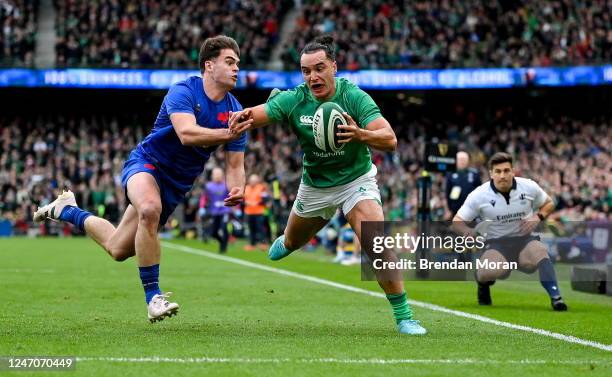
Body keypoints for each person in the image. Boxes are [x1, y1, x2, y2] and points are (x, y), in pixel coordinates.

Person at [33, 35, 252, 322]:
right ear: (208, 65)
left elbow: (235, 163)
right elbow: (187, 134)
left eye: (238, 63)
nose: (237, 68)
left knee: (117, 248)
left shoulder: (235, 111)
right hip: (147, 164)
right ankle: (154, 298)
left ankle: (67, 209)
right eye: (229, 61)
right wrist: (227, 134)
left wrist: (237, 187)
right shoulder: (183, 91)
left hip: (176, 184)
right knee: (149, 209)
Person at [230, 35, 426, 335]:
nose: (313, 76)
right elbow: (256, 116)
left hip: (355, 181)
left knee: (375, 241)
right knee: (293, 242)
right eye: (306, 71)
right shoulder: (295, 98)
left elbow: (390, 140)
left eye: (319, 68)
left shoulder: (354, 97)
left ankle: (404, 317)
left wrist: (361, 134)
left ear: (333, 67)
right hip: (315, 186)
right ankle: (288, 240)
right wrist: (238, 117)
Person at [452, 152, 568, 311]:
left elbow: (548, 203)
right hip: (496, 244)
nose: (503, 175)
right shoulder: (479, 195)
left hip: (525, 241)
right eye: (498, 171)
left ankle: (556, 298)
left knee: (541, 252)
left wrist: (538, 217)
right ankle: (482, 283)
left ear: (513, 171)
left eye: (506, 171)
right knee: (491, 271)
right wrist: (468, 232)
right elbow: (457, 222)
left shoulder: (528, 186)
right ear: (491, 174)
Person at [445, 151, 481, 218]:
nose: (462, 161)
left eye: (464, 159)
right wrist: (448, 209)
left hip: (471, 209)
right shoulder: (450, 173)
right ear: (456, 160)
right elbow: (447, 192)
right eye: (460, 159)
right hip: (455, 208)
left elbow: (480, 191)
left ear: (468, 161)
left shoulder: (474, 174)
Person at [204, 167, 231, 253]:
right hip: (214, 211)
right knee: (213, 232)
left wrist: (236, 208)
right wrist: (202, 207)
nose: (217, 176)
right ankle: (221, 242)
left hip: (225, 210)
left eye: (219, 174)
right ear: (212, 175)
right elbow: (204, 198)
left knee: (224, 228)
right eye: (216, 174)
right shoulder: (208, 186)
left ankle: (224, 247)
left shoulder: (226, 185)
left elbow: (232, 196)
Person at [243, 174, 269, 251]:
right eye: (251, 180)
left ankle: (263, 244)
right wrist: (246, 202)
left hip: (259, 212)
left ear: (257, 181)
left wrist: (257, 203)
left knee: (260, 228)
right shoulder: (246, 188)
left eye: (254, 181)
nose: (253, 182)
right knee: (251, 229)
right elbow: (242, 199)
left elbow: (265, 199)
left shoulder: (261, 188)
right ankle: (252, 244)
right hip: (249, 212)